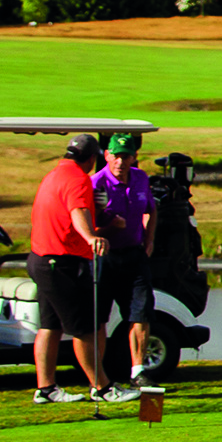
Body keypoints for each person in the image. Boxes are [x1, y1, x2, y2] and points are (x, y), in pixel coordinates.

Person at [29, 134, 137, 406]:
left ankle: (46, 388)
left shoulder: (54, 174)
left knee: (50, 326)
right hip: (61, 262)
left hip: (41, 259)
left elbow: (74, 209)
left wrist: (99, 214)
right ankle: (102, 388)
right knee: (86, 330)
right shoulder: (77, 179)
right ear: (91, 158)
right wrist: (91, 237)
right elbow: (77, 211)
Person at [92, 132, 160, 390]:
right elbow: (87, 226)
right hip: (104, 256)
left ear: (134, 157)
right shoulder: (95, 183)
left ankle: (138, 370)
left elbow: (151, 210)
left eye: (126, 156)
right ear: (107, 155)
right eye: (116, 156)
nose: (120, 162)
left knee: (140, 311)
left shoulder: (141, 178)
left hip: (134, 254)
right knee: (99, 317)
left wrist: (149, 238)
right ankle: (99, 375)